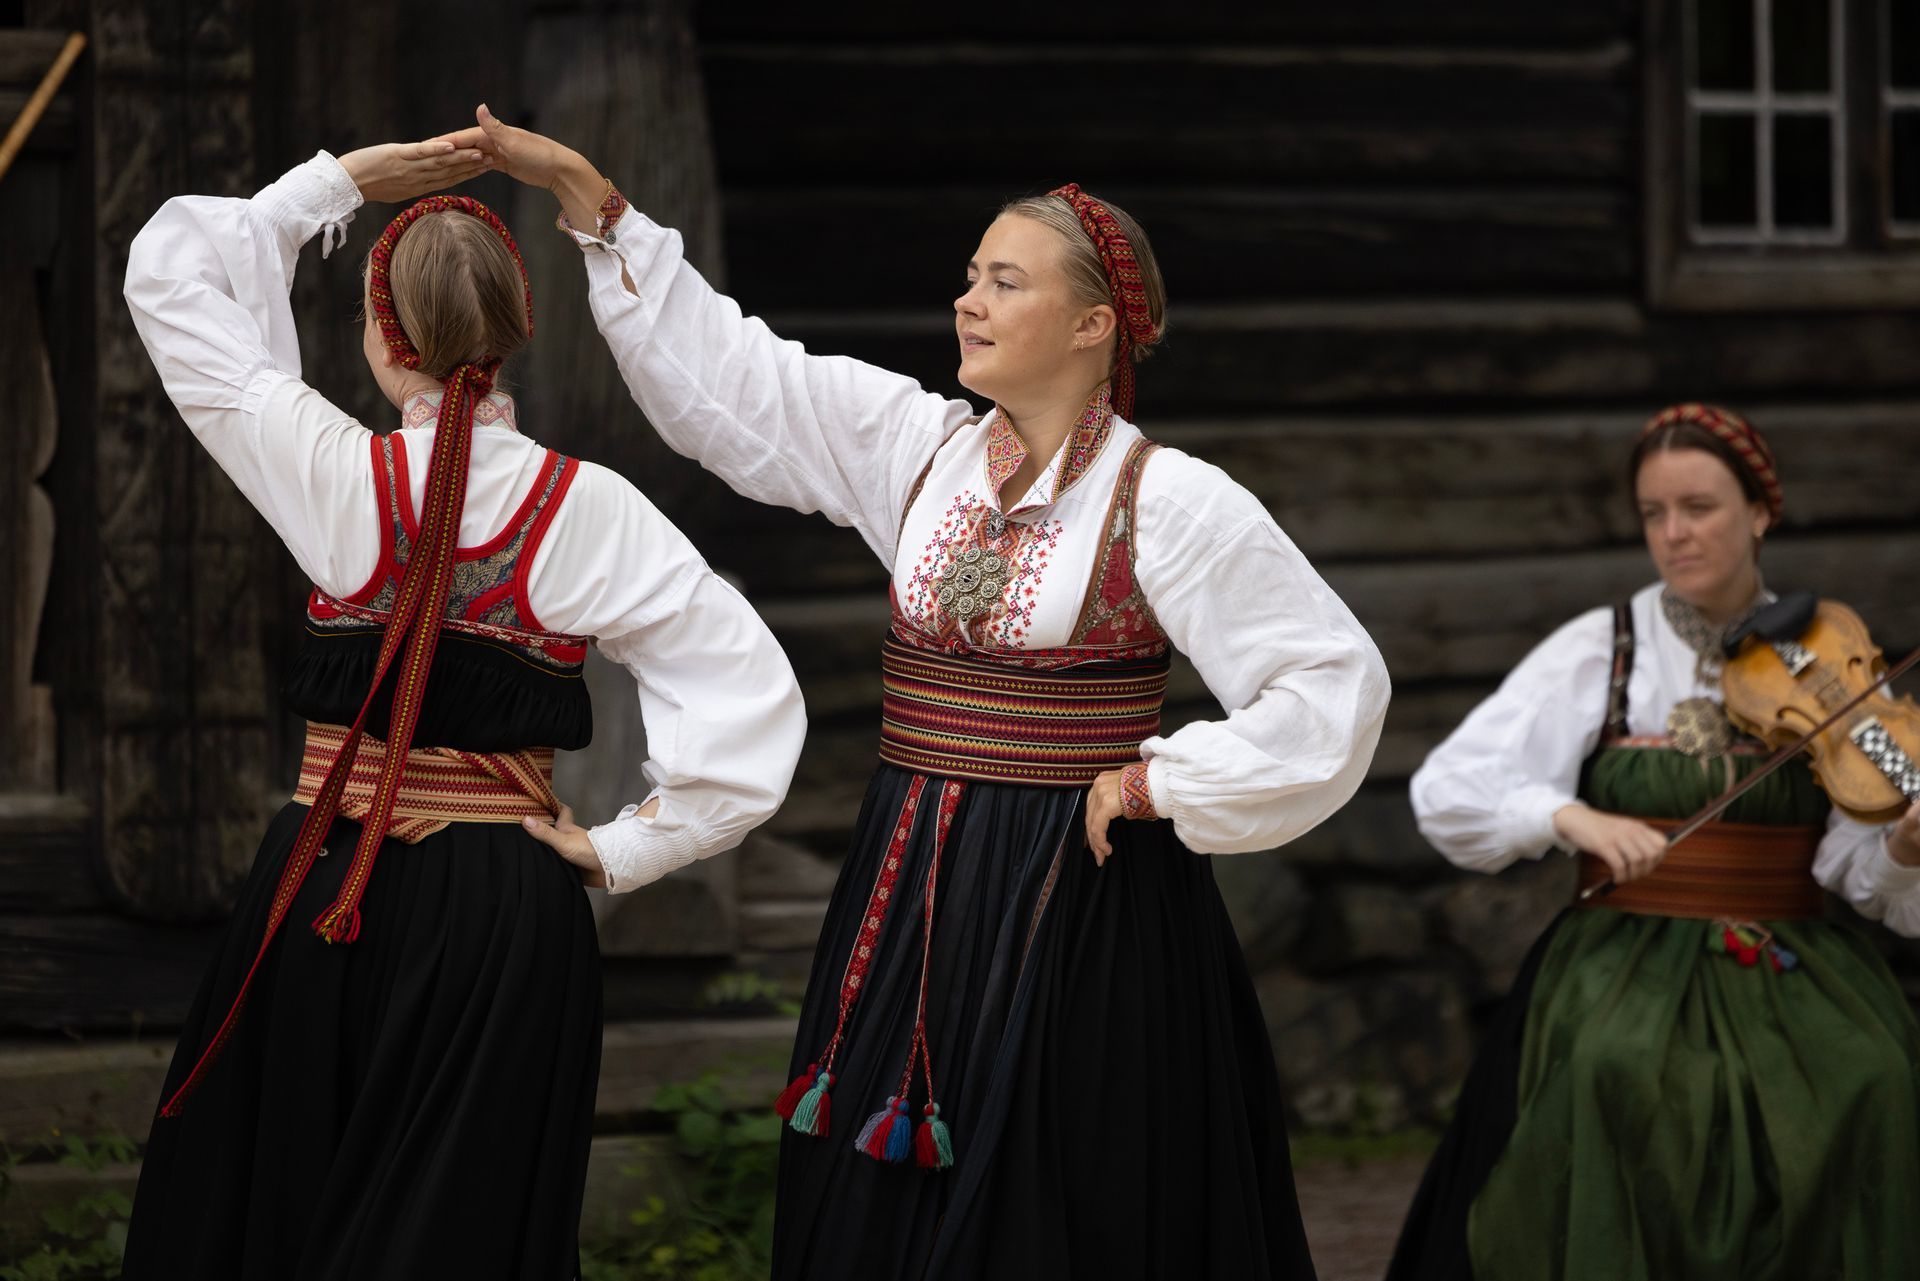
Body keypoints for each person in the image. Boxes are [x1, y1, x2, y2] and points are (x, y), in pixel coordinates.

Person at [467, 105, 1390, 1279]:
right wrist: (598, 210)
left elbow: (1329, 681)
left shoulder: (1171, 501)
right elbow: (748, 382)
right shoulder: (924, 452)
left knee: (1064, 1189)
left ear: (1096, 324)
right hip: (913, 884)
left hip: (1078, 899)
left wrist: (1165, 780)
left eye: (1005, 282)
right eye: (970, 277)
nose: (969, 301)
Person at [118, 136, 805, 1279]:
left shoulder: (322, 463)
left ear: (385, 341)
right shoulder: (594, 509)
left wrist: (337, 185)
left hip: (329, 876)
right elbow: (747, 689)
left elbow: (170, 272)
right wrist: (631, 846)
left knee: (287, 1198)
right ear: (516, 329)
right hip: (499, 902)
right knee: (457, 1232)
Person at [1387, 403, 1920, 1280]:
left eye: (1700, 507)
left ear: (1759, 511)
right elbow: (1451, 787)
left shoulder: (1831, 660)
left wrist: (1900, 845)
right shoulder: (1605, 648)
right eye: (1653, 513)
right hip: (1624, 955)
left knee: (1875, 1076)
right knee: (1619, 1068)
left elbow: (1858, 873)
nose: (1674, 534)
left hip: (1796, 953)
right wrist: (1569, 817)